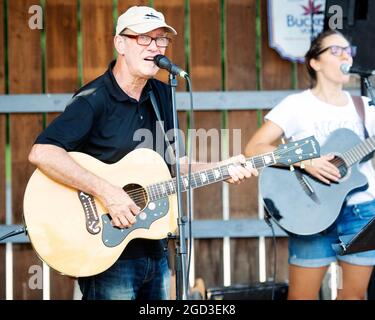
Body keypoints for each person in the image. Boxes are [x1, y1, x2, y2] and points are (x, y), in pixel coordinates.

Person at [28, 5, 257, 300]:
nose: (155, 47)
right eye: (144, 39)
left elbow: (176, 166)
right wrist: (108, 192)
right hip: (105, 250)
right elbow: (42, 152)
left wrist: (221, 168)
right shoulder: (93, 99)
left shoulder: (163, 94)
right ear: (120, 43)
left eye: (161, 39)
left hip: (155, 246)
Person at [245, 29, 375, 300]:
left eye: (348, 50)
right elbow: (254, 149)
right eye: (335, 50)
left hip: (361, 211)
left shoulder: (364, 106)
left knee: (354, 297)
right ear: (315, 62)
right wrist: (306, 160)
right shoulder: (296, 105)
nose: (345, 55)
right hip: (310, 211)